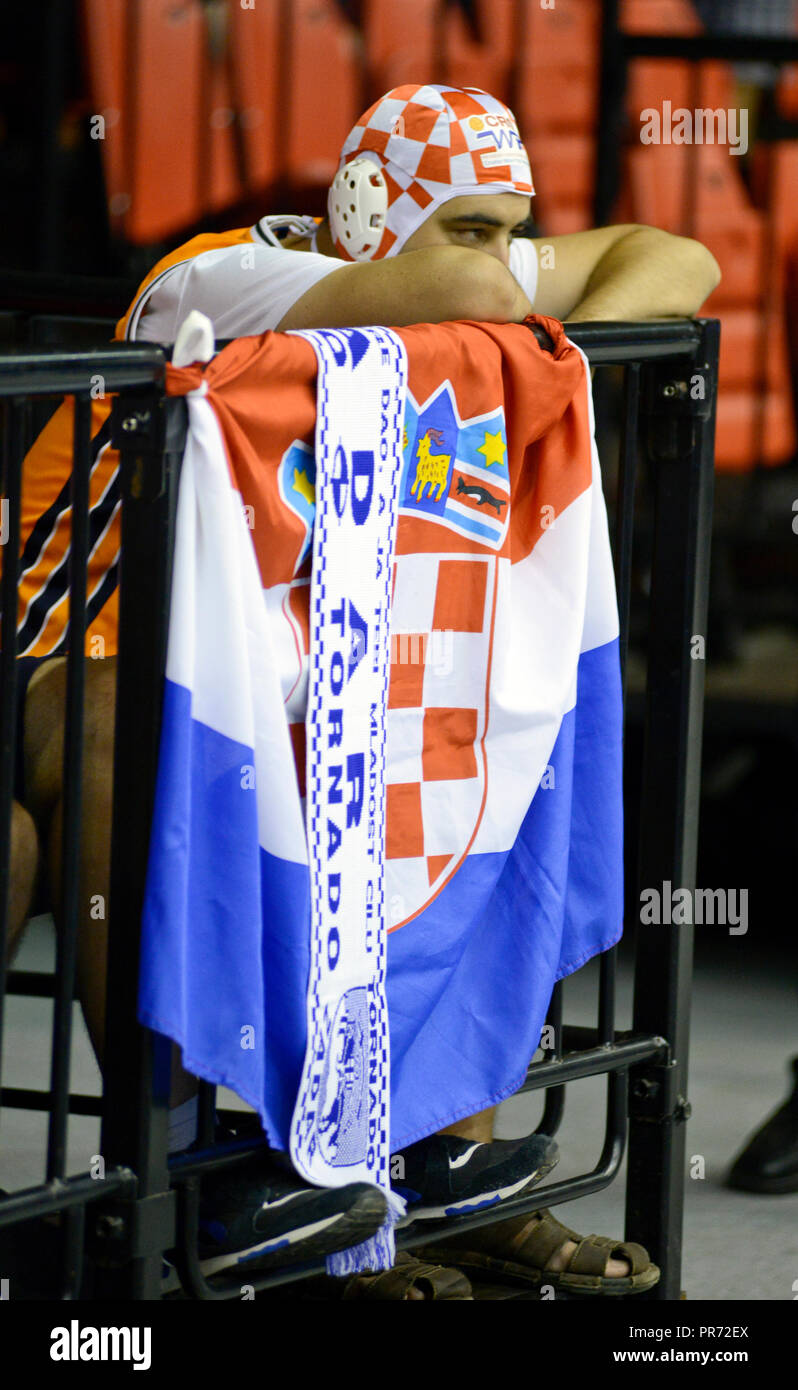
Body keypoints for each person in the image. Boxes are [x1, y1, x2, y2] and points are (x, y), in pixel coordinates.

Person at [5, 83, 720, 1298]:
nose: (499, 258)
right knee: (121, 738)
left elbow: (679, 257)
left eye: (511, 228)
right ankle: (185, 1179)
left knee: (455, 734)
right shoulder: (227, 282)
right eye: (470, 226)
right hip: (66, 640)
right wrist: (532, 331)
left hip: (252, 663)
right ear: (368, 214)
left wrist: (549, 331)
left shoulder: (443, 268)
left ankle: (424, 1168)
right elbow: (486, 298)